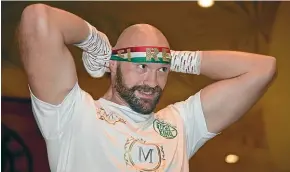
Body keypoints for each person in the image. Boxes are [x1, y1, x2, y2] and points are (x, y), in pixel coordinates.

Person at [18, 4, 276, 172]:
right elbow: (38, 18)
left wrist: (176, 59)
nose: (152, 83)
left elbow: (262, 69)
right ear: (113, 65)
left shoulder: (181, 124)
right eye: (141, 67)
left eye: (162, 70)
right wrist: (94, 42)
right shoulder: (72, 114)